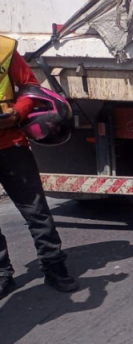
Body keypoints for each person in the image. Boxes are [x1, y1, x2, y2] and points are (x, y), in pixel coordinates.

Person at [0, 35, 78, 299]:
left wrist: (17, 113)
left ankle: (54, 266)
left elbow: (30, 88)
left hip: (10, 144)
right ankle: (2, 274)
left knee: (36, 211)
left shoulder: (4, 48)